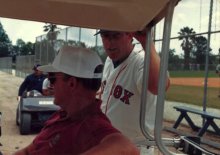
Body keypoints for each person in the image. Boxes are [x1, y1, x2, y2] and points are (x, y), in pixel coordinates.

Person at [13, 45, 139, 155]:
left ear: (72, 83)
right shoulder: (61, 115)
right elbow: (28, 151)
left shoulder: (92, 126)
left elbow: (127, 148)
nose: (51, 85)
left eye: (52, 79)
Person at [96, 29, 170, 153]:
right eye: (105, 36)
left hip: (135, 147)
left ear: (130, 35)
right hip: (109, 144)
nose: (110, 43)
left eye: (116, 35)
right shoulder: (109, 60)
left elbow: (159, 87)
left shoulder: (141, 62)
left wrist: (147, 43)